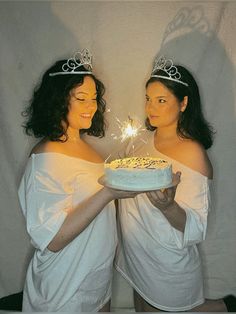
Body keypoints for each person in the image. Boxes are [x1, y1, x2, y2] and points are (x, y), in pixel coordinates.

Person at [18, 49, 139, 312]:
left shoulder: (92, 153)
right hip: (64, 288)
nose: (91, 106)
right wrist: (108, 193)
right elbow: (53, 238)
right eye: (81, 98)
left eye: (94, 98)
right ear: (58, 101)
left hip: (97, 283)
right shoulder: (46, 158)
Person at [115, 56, 236, 312]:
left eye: (161, 100)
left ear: (183, 103)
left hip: (166, 263)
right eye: (148, 99)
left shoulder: (192, 153)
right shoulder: (138, 142)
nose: (151, 108)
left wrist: (168, 206)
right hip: (136, 255)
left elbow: (197, 227)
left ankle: (224, 307)